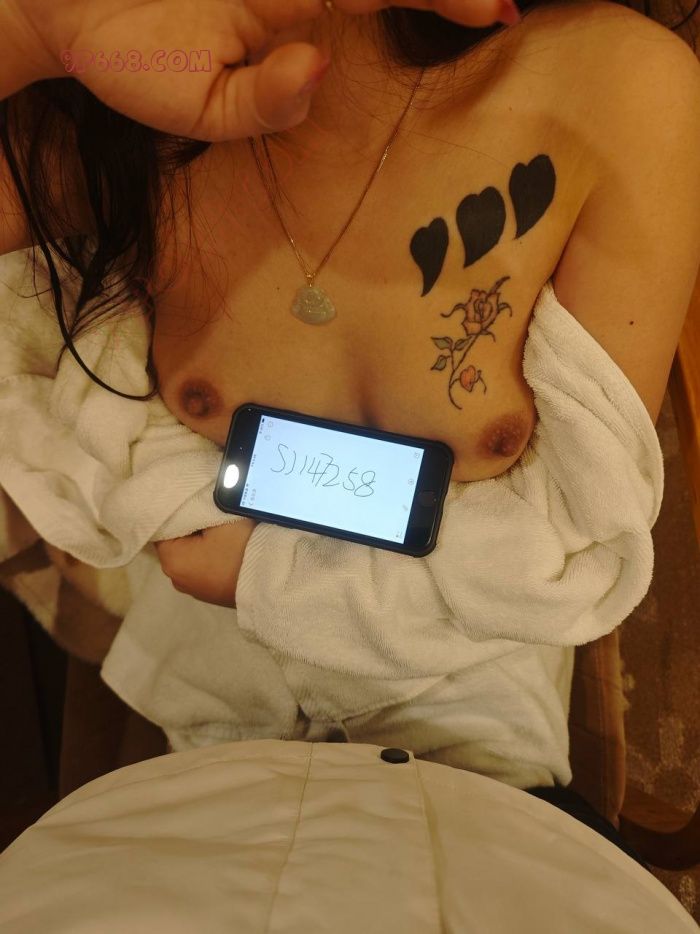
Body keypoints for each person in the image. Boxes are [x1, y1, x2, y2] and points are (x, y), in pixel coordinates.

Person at [0, 1, 698, 926]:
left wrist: (266, 577)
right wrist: (33, 31)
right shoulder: (132, 72)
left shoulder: (614, 81)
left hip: (479, 753)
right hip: (203, 748)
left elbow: (573, 549)